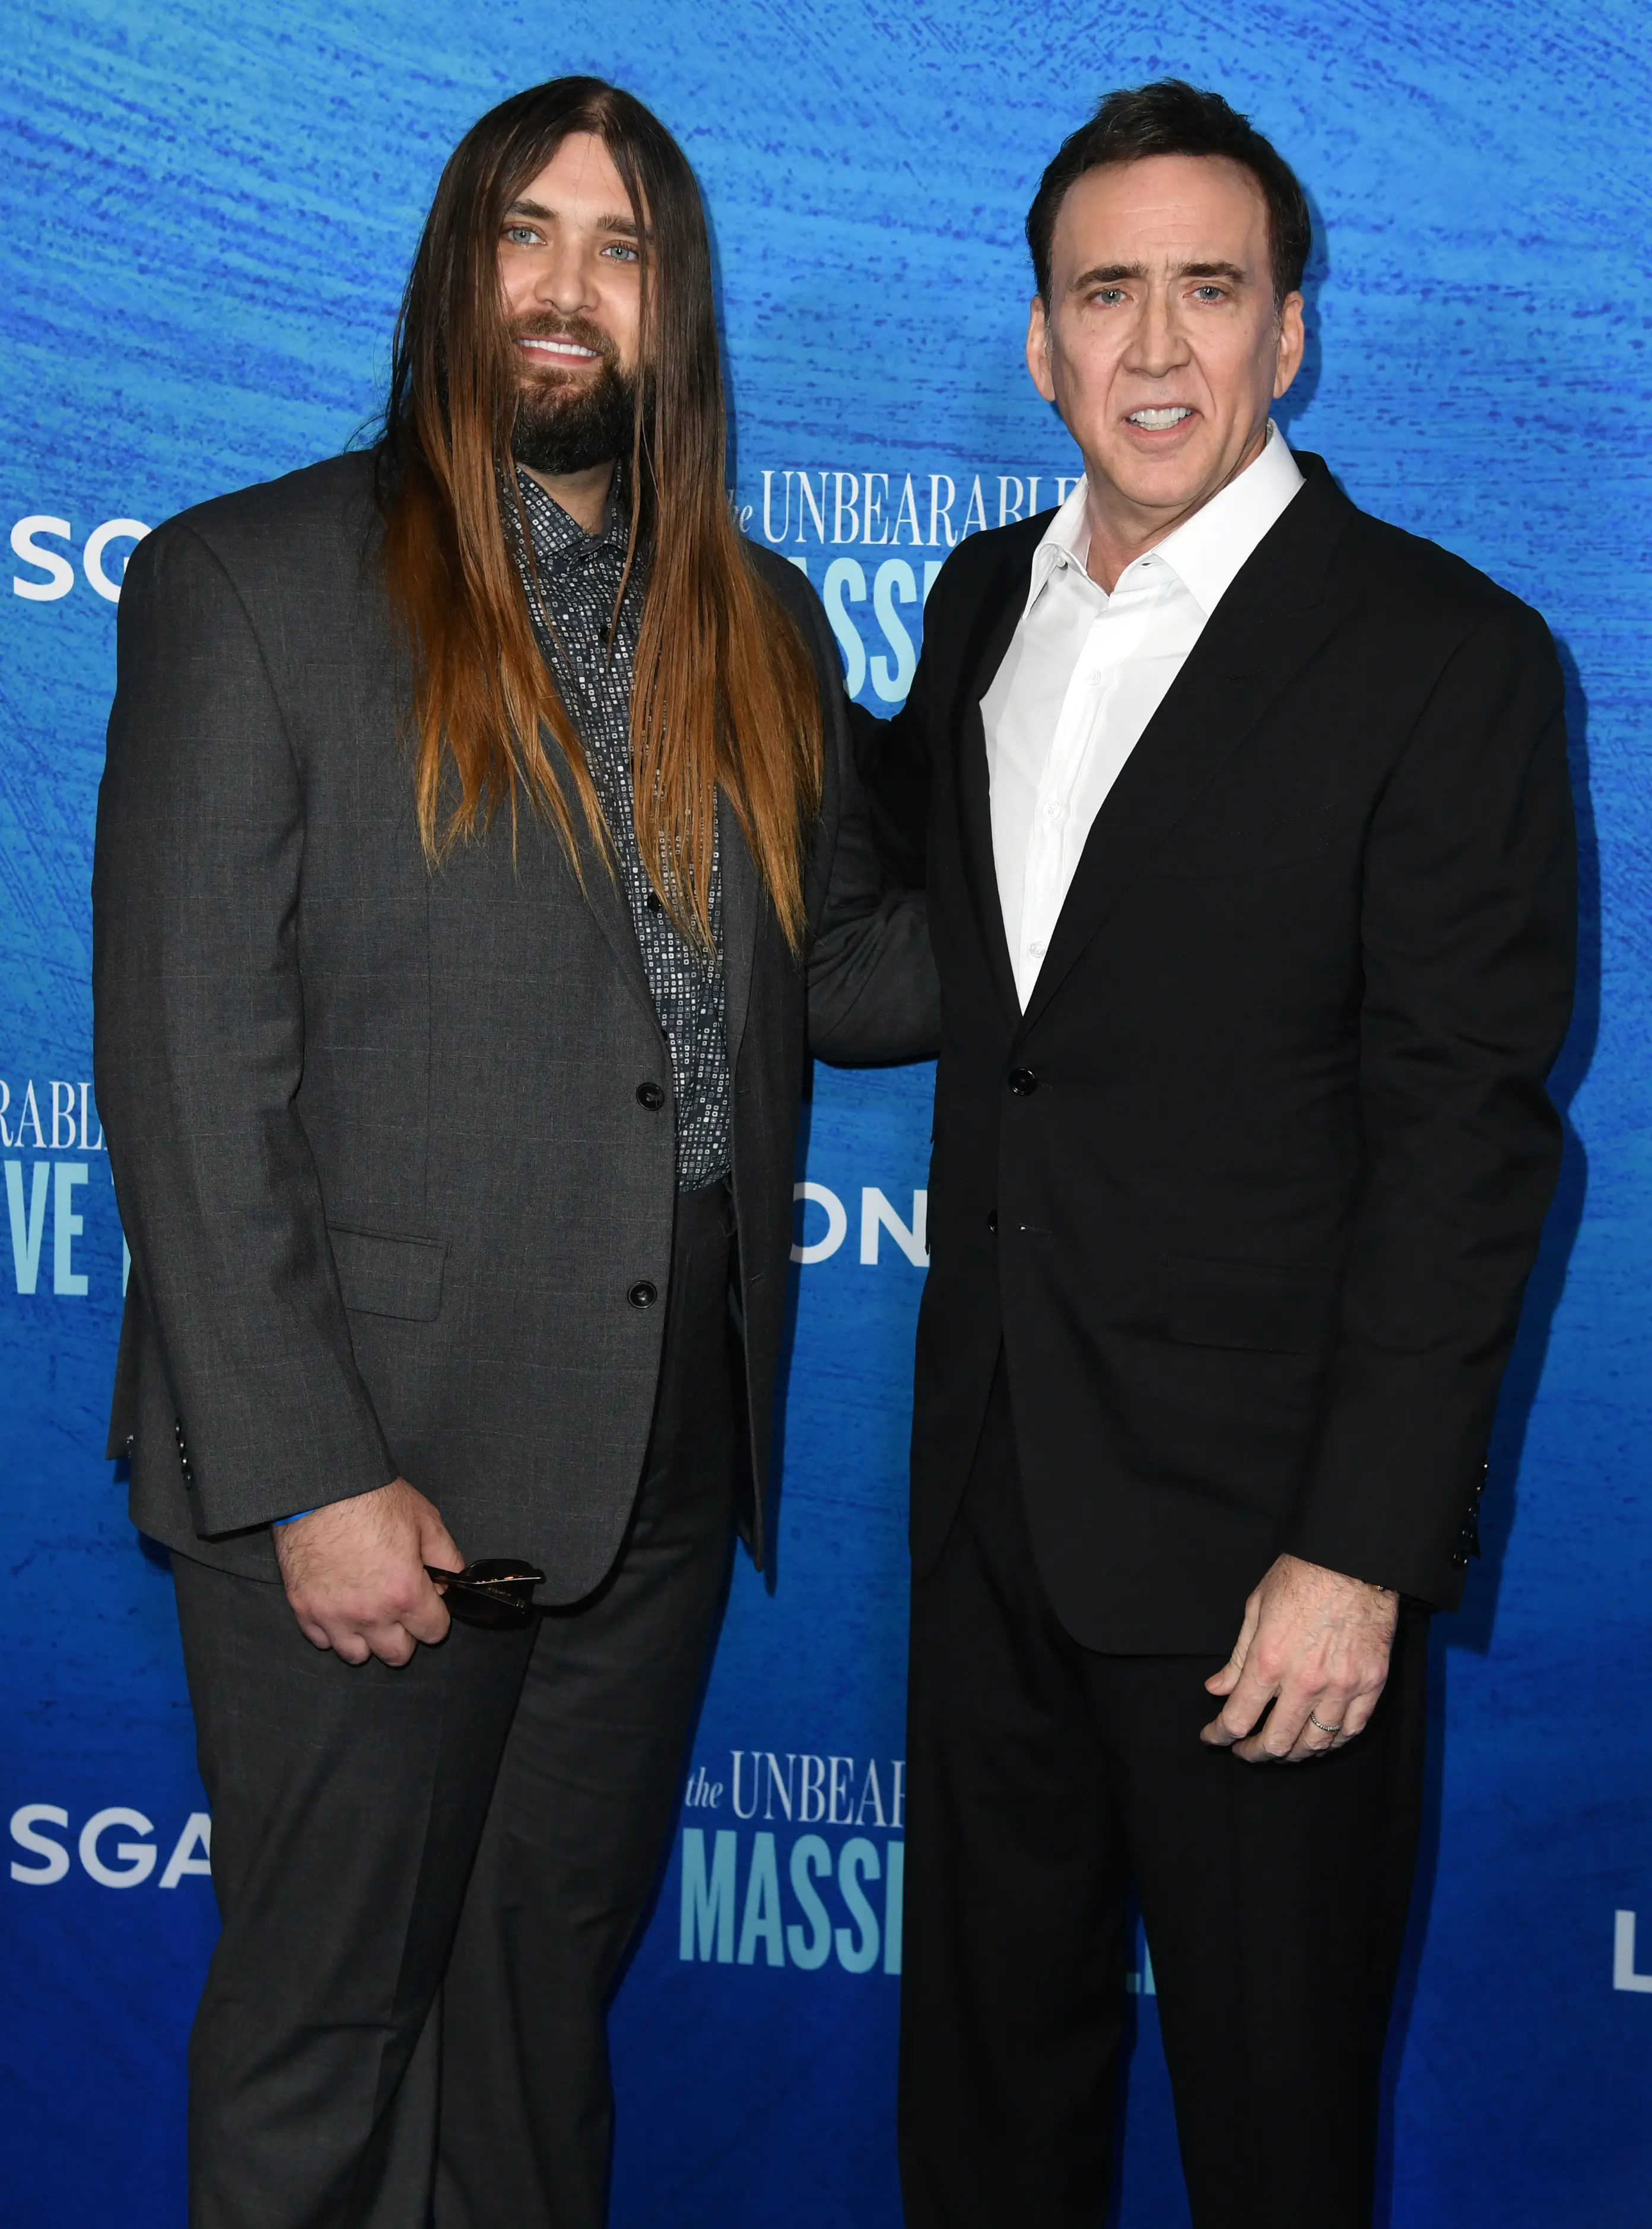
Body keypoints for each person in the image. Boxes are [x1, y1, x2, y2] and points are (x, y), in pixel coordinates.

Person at [93, 75, 936, 2229]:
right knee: (326, 2043)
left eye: (624, 248)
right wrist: (307, 1469)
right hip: (375, 1466)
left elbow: (840, 972)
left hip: (654, 1466)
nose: (570, 291)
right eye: (527, 234)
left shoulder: (756, 617)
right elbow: (190, 1067)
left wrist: (1141, 854)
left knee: (536, 2031)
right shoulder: (250, 580)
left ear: (678, 312)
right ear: (458, 269)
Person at [852, 79, 1575, 2229]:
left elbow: (1467, 1142)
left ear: (1290, 336)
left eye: (1209, 292)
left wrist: (1357, 1550)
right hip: (990, 1512)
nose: (1155, 348)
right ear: (1042, 344)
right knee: (983, 2125)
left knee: (1273, 2138)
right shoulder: (984, 602)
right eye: (1108, 296)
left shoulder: (1446, 658)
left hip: (1268, 1567)